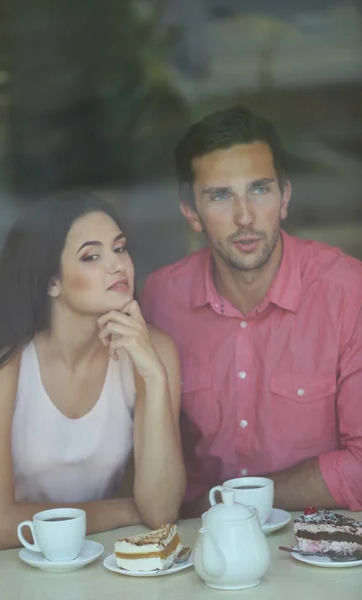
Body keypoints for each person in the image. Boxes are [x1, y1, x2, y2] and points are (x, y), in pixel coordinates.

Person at [141, 106, 362, 517]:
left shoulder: (348, 294)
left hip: (316, 546)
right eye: (221, 196)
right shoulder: (160, 299)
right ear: (191, 212)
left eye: (260, 190)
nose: (245, 217)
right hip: (196, 546)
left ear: (285, 199)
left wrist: (235, 499)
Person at [0, 191, 185, 548]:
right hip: (1, 567)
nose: (117, 265)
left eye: (120, 248)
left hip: (97, 559)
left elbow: (160, 511)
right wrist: (128, 510)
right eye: (92, 256)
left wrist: (156, 380)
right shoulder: (4, 362)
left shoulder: (153, 351)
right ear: (52, 282)